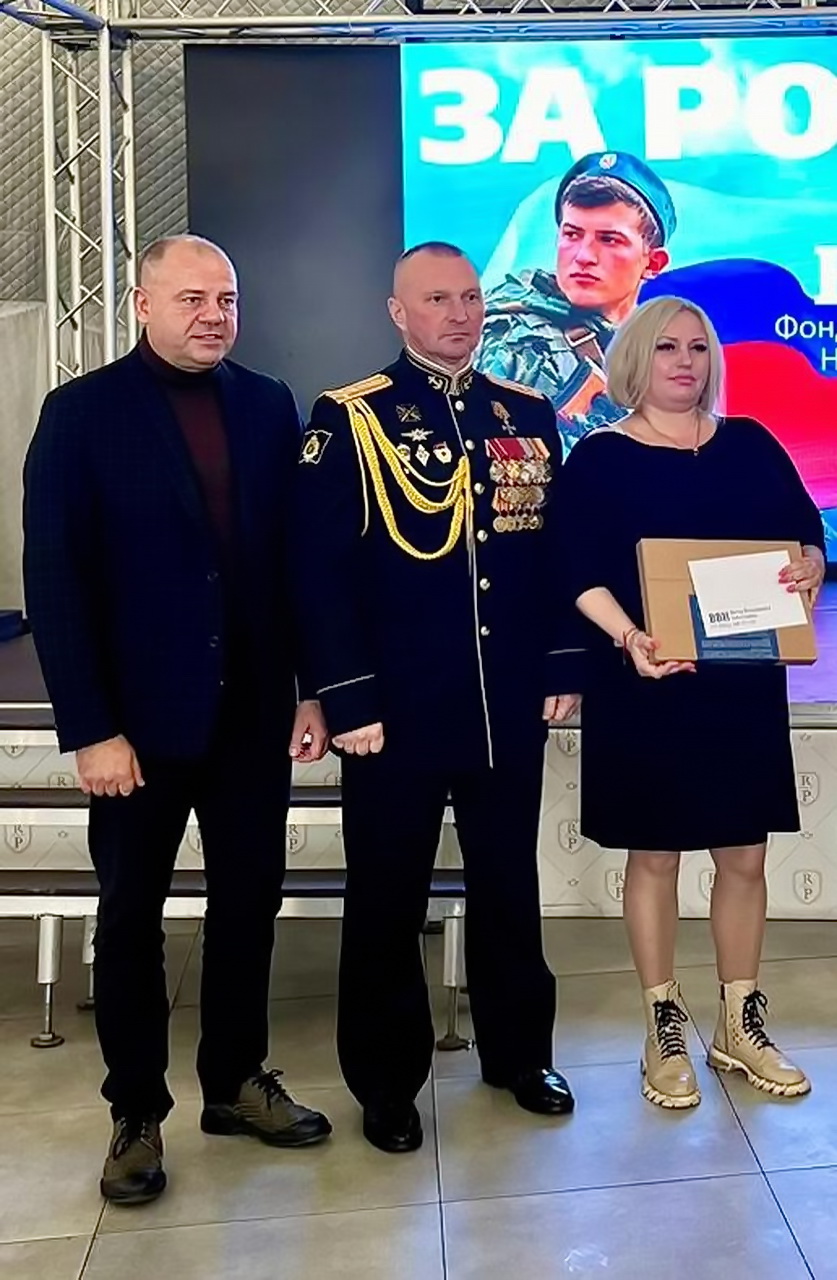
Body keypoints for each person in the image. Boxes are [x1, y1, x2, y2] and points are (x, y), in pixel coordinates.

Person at [22, 235, 332, 1207]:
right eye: (191, 297)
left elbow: (292, 563)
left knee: (249, 903)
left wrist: (311, 688)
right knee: (131, 919)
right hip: (135, 727)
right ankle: (135, 1112)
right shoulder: (80, 413)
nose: (213, 314)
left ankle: (236, 1080)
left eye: (226, 298)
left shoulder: (267, 402)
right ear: (142, 302)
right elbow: (54, 580)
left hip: (251, 713)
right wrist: (90, 727)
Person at [292, 241, 585, 1154]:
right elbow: (319, 575)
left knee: (507, 883)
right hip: (395, 712)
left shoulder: (524, 412)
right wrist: (346, 699)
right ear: (397, 312)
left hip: (504, 702)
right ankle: (386, 1082)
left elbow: (550, 557)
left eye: (468, 297)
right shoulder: (351, 417)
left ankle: (518, 1054)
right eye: (436, 300)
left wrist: (561, 665)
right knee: (387, 898)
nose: (459, 315)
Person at [561, 294, 825, 1109]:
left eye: (697, 348)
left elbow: (805, 535)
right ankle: (661, 1026)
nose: (685, 362)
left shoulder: (750, 443)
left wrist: (810, 564)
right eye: (667, 347)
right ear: (635, 359)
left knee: (743, 856)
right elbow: (575, 570)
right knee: (654, 856)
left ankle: (740, 1025)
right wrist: (628, 638)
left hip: (739, 685)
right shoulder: (599, 457)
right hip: (643, 680)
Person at [477, 151, 674, 448]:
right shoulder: (512, 337)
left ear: (654, 263)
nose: (583, 256)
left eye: (609, 239)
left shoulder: (661, 352)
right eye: (572, 234)